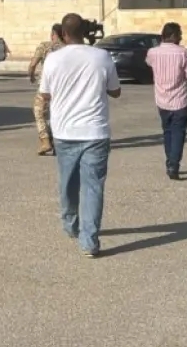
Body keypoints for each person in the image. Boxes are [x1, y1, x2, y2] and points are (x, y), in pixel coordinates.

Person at [38, 13, 121, 257]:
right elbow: (115, 91)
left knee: (67, 182)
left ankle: (70, 224)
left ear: (64, 34)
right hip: (95, 131)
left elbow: (45, 94)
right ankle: (89, 241)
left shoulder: (53, 59)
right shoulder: (102, 56)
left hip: (65, 131)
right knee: (93, 187)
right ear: (85, 32)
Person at [145, 22, 187, 180]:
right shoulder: (183, 52)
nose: (181, 38)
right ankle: (173, 165)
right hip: (180, 100)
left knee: (167, 132)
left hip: (162, 100)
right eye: (179, 34)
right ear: (174, 36)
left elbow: (148, 63)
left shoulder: (153, 52)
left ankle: (170, 160)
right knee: (178, 133)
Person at [28, 24, 66, 156]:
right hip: (63, 88)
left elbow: (32, 65)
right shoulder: (69, 48)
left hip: (46, 87)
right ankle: (57, 142)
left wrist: (31, 76)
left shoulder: (45, 46)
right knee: (58, 114)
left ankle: (45, 141)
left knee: (39, 113)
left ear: (53, 34)